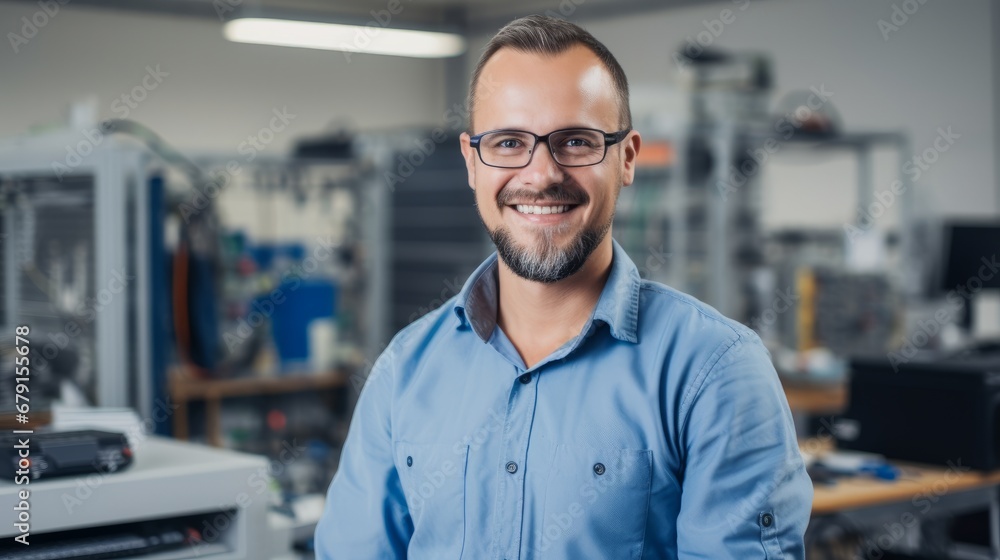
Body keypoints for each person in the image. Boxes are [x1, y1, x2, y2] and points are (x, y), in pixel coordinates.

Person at [315, 14, 812, 559]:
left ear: (626, 158)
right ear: (471, 162)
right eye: (508, 142)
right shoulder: (404, 371)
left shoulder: (715, 373)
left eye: (576, 141)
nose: (542, 173)